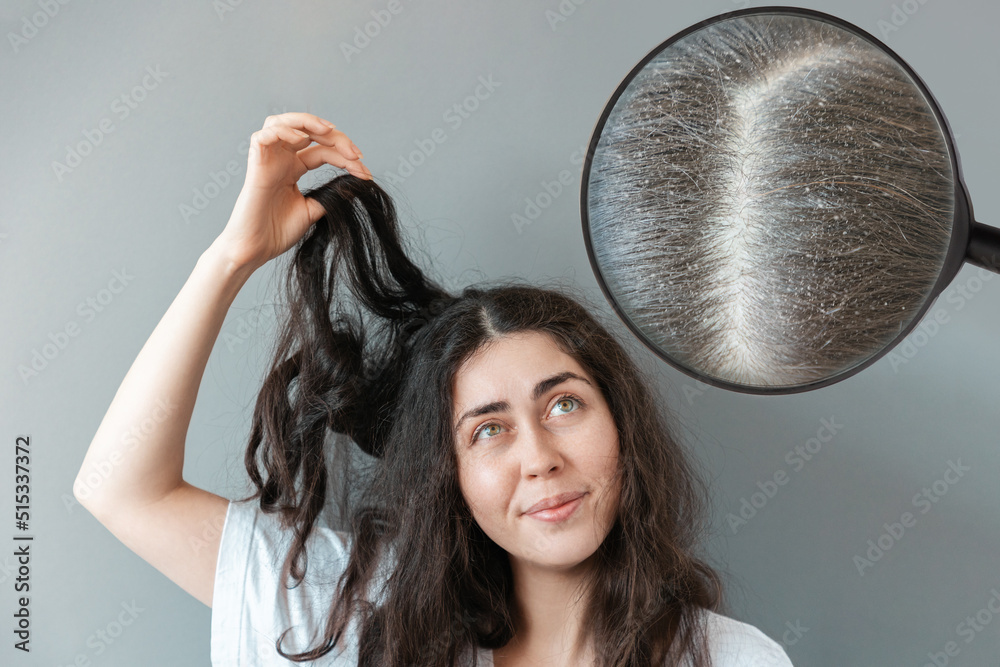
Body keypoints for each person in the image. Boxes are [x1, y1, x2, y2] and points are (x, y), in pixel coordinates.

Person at [74, 112, 794, 666]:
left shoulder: (732, 658)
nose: (539, 456)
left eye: (564, 403)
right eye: (488, 428)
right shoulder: (362, 622)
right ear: (448, 473)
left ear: (622, 424)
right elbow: (119, 488)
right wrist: (231, 255)